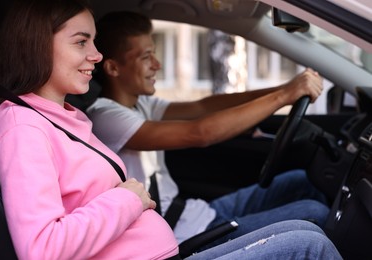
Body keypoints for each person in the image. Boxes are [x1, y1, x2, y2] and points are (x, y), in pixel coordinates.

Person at [0, 1, 344, 259]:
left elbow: (202, 108)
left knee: (307, 228)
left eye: (94, 41)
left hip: (168, 237)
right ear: (37, 46)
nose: (95, 54)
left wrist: (281, 93)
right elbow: (42, 249)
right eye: (81, 42)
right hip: (177, 237)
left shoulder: (60, 117)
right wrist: (128, 199)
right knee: (310, 237)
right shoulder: (23, 126)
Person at [86, 10, 330, 248]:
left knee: (300, 181)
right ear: (113, 68)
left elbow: (203, 106)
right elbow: (199, 133)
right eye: (146, 57)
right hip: (181, 234)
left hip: (193, 214)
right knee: (313, 212)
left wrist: (282, 89)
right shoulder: (106, 116)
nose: (157, 64)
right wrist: (284, 96)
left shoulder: (139, 103)